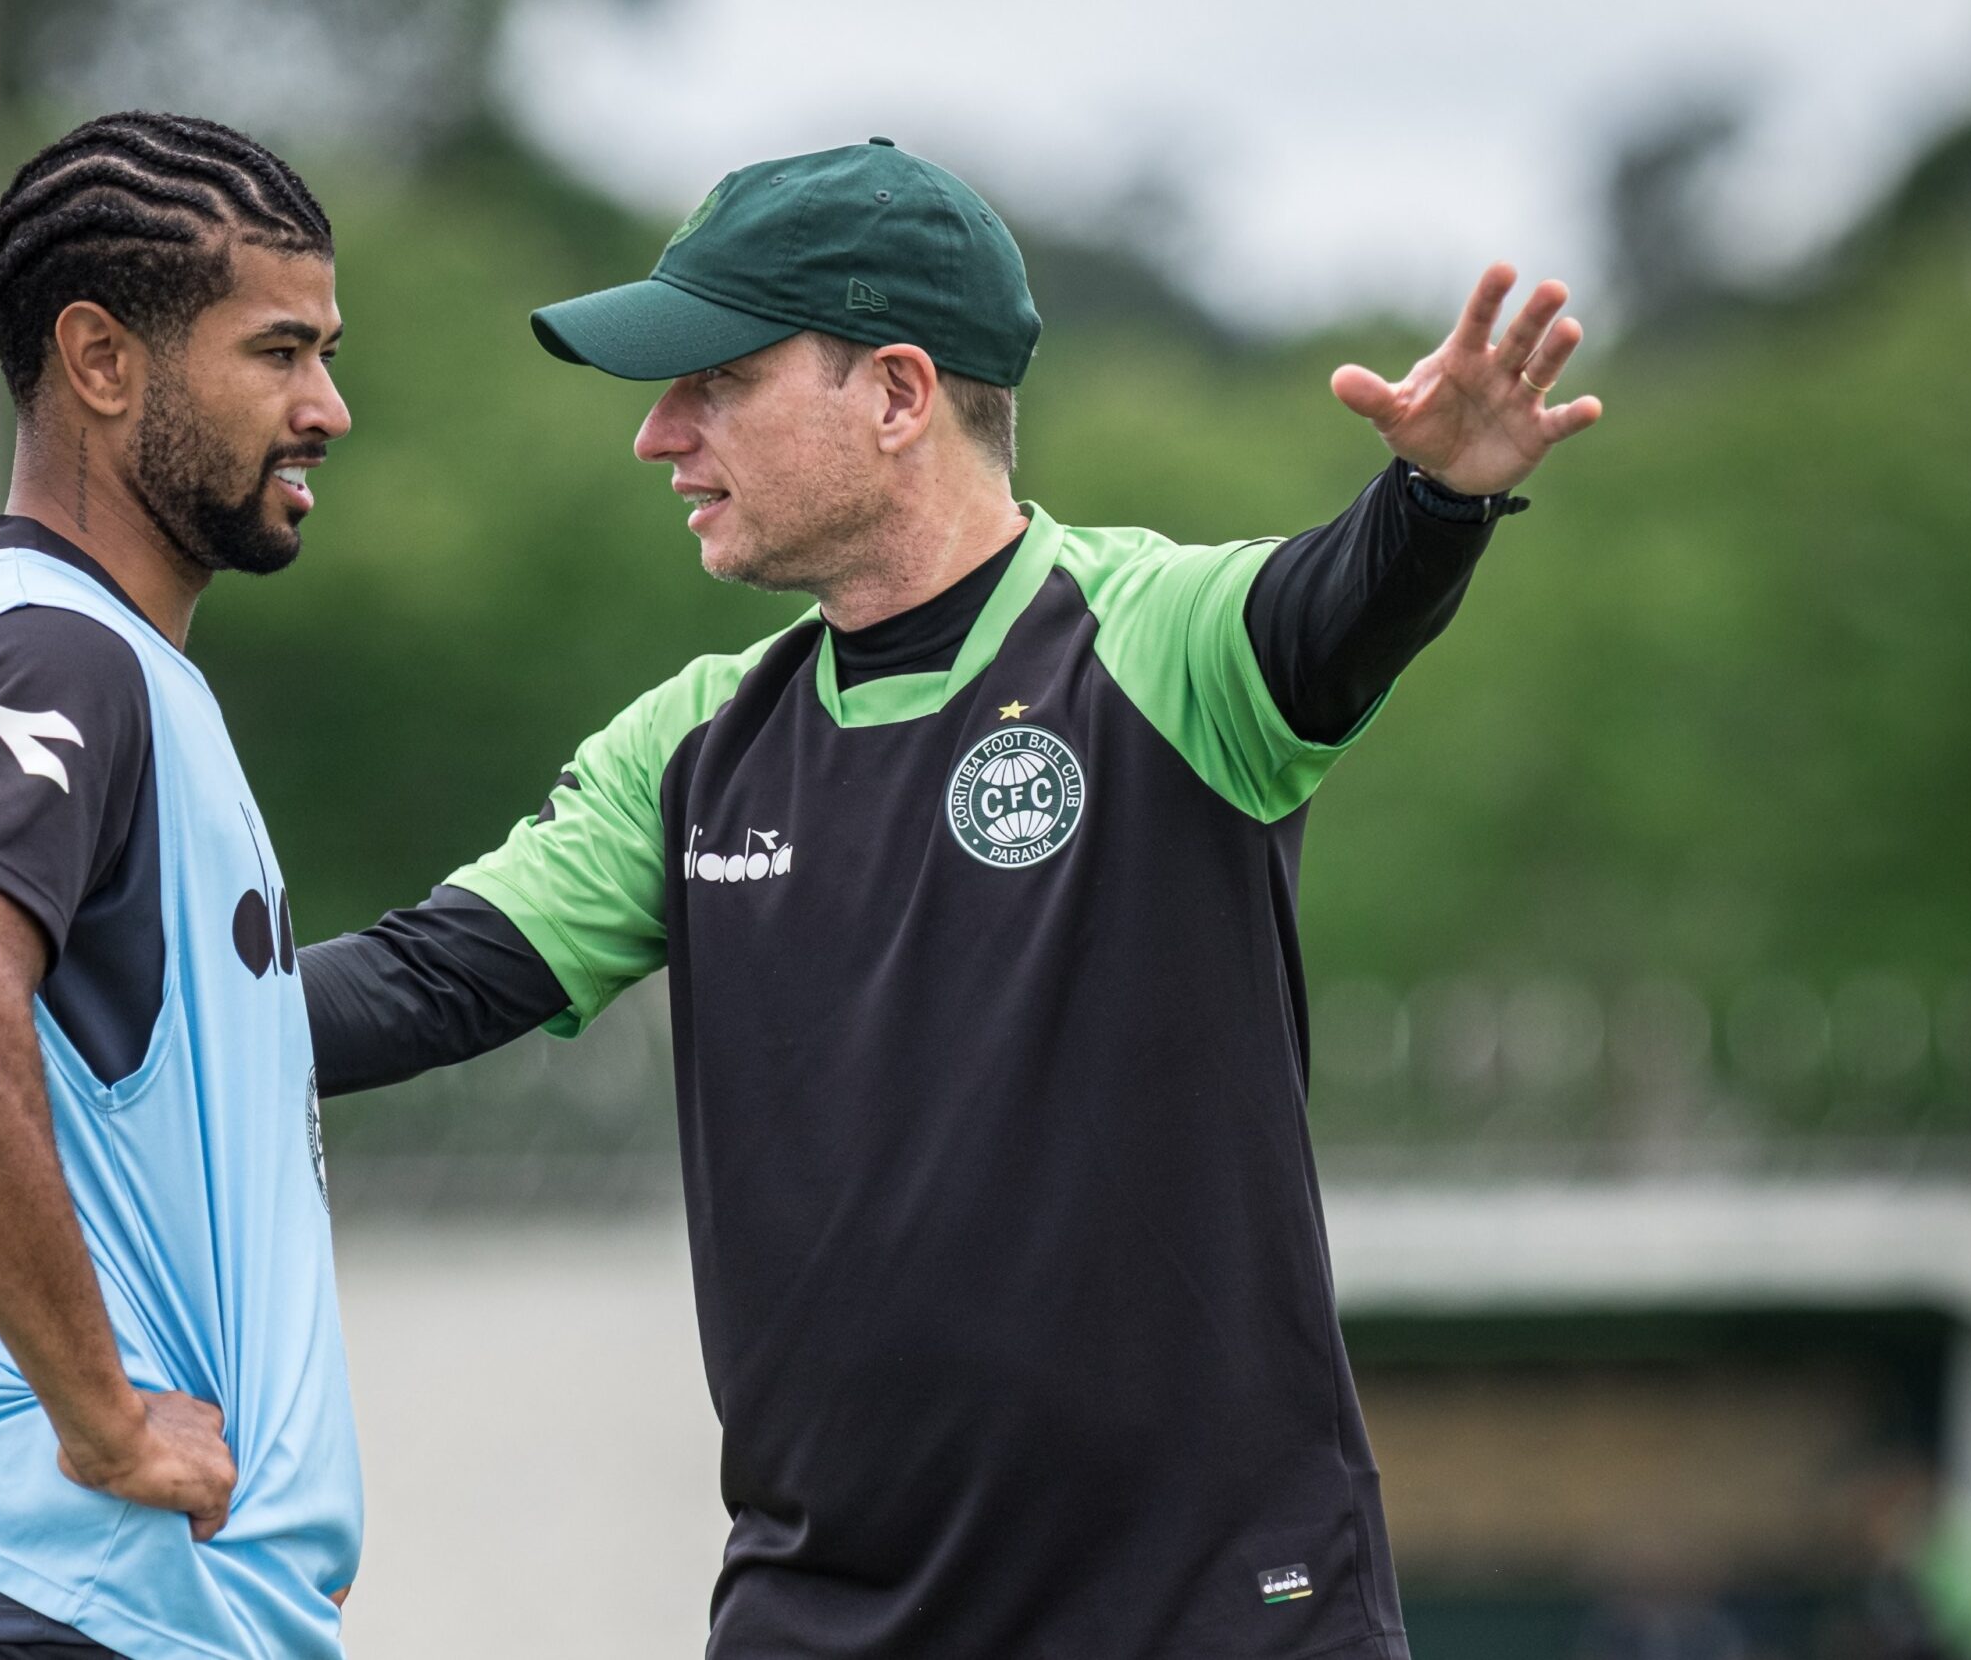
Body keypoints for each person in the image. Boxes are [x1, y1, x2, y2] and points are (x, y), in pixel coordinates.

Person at [299, 137, 1600, 1659]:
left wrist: (1436, 502)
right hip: (828, 1621)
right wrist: (78, 990)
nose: (660, 435)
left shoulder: (1150, 643)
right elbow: (421, 980)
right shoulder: (695, 746)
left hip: (1206, 1618)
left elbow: (1334, 604)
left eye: (714, 380)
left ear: (901, 394)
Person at [0, 112, 356, 1660]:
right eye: (279, 350)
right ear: (103, 360)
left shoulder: (48, 645)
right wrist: (109, 1423)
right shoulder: (54, 650)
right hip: (69, 1575)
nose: (328, 405)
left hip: (91, 1588)